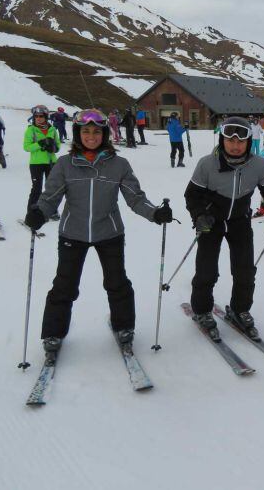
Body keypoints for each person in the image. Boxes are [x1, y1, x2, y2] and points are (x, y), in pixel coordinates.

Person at [24, 109, 174, 353]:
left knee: (117, 283)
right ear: (77, 133)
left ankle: (124, 326)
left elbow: (135, 198)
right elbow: (49, 197)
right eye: (86, 131)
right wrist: (39, 212)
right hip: (73, 233)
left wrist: (155, 213)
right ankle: (53, 333)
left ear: (104, 134)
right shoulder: (65, 164)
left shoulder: (119, 165)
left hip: (109, 233)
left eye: (96, 131)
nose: (91, 136)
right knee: (65, 285)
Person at [184, 117, 264, 340]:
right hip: (212, 222)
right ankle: (202, 310)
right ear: (222, 140)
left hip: (239, 221)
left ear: (249, 142)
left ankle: (240, 309)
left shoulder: (258, 164)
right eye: (230, 140)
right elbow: (192, 195)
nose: (235, 145)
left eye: (241, 141)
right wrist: (200, 216)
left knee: (245, 270)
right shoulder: (206, 164)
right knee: (207, 270)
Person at [24, 105, 61, 216]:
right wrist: (40, 144)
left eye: (41, 116)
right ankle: (32, 212)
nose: (39, 118)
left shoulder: (52, 129)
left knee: (52, 189)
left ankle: (52, 211)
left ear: (46, 117)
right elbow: (26, 147)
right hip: (36, 164)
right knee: (37, 189)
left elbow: (58, 146)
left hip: (51, 162)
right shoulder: (31, 130)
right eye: (36, 116)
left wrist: (53, 147)